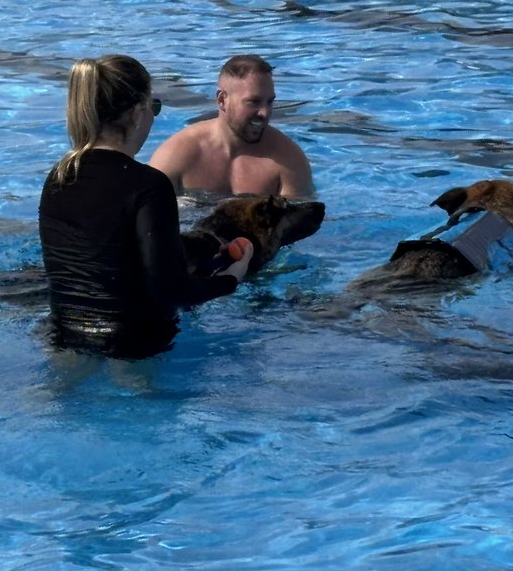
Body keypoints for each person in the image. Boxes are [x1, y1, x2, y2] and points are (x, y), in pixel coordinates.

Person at [39, 55, 251, 358]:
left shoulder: (58, 177)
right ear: (137, 113)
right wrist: (232, 278)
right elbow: (169, 290)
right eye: (154, 108)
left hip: (65, 337)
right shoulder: (148, 185)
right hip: (136, 344)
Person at [148, 54, 315, 199]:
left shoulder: (289, 161)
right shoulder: (177, 154)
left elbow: (300, 228)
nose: (265, 112)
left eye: (269, 101)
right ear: (222, 100)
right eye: (253, 102)